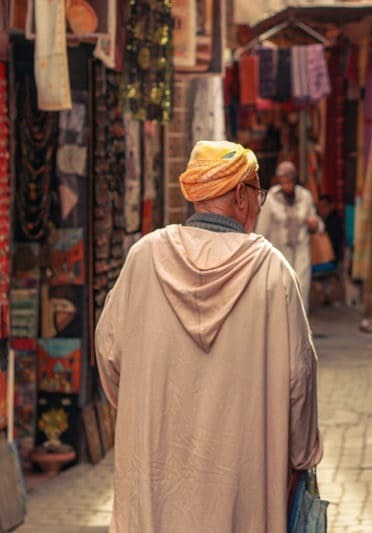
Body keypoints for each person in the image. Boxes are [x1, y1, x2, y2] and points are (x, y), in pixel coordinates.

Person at [94, 140, 322, 533]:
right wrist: (301, 455)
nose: (259, 204)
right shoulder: (272, 272)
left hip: (156, 479)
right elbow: (299, 380)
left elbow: (109, 353)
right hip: (243, 486)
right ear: (239, 195)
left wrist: (144, 409)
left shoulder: (145, 258)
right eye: (257, 193)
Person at [255, 161, 322, 312]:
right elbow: (261, 230)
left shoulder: (305, 196)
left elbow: (316, 223)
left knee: (300, 292)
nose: (286, 185)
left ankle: (300, 333)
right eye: (283, 181)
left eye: (289, 181)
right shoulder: (270, 198)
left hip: (301, 253)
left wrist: (314, 224)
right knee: (280, 296)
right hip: (278, 255)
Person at [317, 194, 344, 265]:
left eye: (324, 206)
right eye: (319, 206)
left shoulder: (335, 221)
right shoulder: (318, 221)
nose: (321, 209)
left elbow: (332, 243)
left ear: (330, 206)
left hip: (331, 259)